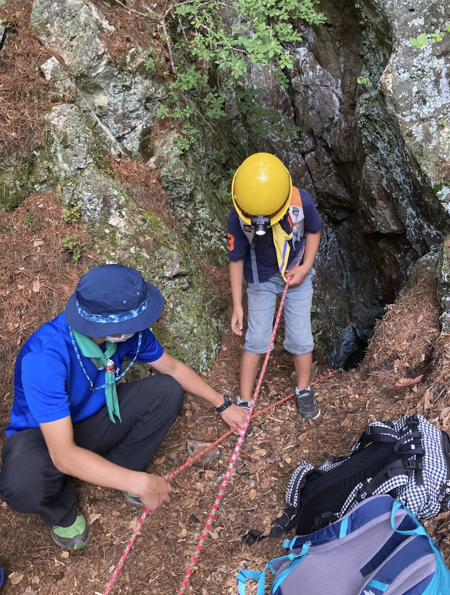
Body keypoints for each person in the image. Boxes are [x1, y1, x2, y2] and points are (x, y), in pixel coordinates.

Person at [0, 264, 248, 550]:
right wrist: (141, 482)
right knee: (22, 486)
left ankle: (118, 469)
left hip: (94, 418)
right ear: (109, 326)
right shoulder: (45, 358)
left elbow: (173, 368)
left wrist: (221, 403)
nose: (143, 323)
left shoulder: (131, 334)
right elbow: (63, 454)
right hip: (42, 439)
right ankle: (61, 510)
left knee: (166, 390)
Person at [227, 153, 322, 423]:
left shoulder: (300, 201)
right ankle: (244, 400)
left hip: (296, 274)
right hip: (261, 279)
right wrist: (237, 305)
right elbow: (236, 260)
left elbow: (314, 231)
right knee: (256, 339)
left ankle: (303, 390)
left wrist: (304, 268)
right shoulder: (239, 216)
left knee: (301, 337)